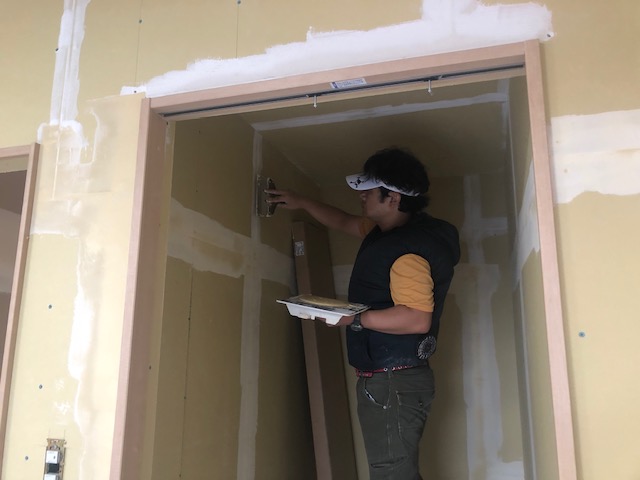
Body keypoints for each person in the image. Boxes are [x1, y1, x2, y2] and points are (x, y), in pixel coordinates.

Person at [267, 147, 460, 480]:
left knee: (391, 474)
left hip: (392, 382)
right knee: (396, 472)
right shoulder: (394, 231)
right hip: (393, 379)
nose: (361, 196)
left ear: (393, 198)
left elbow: (417, 318)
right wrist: (302, 202)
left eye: (369, 191)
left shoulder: (407, 253)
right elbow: (344, 221)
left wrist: (353, 318)